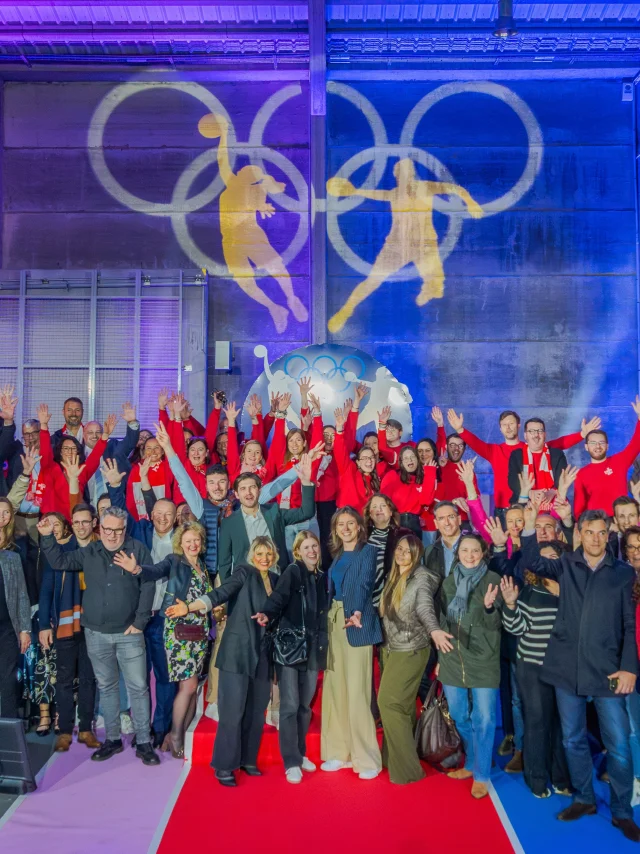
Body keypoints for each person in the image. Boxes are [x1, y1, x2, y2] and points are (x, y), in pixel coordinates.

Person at [520, 507, 640, 841]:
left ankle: (621, 812)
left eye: (603, 533)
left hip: (608, 670)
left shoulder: (623, 573)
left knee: (618, 746)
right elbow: (531, 562)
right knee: (572, 738)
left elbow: (630, 626)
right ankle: (585, 798)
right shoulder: (564, 564)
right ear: (580, 534)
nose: (597, 539)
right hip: (566, 667)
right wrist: (530, 526)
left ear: (608, 535)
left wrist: (630, 666)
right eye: (590, 532)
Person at [37, 506, 160, 766]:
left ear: (124, 530)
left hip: (130, 633)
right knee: (107, 687)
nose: (112, 535)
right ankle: (113, 739)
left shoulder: (138, 549)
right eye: (107, 530)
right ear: (99, 528)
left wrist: (140, 622)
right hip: (96, 633)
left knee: (138, 687)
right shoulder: (90, 551)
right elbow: (60, 561)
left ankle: (144, 741)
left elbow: (148, 584)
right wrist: (47, 537)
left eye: (117, 530)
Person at [326, 158, 484, 332]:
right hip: (396, 247)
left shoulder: (426, 187)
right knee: (372, 281)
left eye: (409, 171)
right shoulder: (394, 193)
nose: (406, 175)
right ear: (397, 175)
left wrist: (470, 202)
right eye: (402, 172)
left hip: (425, 246)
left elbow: (456, 188)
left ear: (412, 173)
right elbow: (372, 193)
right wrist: (353, 190)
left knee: (438, 287)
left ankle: (429, 289)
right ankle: (346, 311)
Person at [198, 112, 308, 334]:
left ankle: (291, 298)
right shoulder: (233, 184)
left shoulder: (255, 188)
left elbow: (275, 188)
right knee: (245, 282)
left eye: (250, 173)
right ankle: (275, 308)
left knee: (275, 266)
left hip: (250, 234)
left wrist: (265, 197)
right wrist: (223, 135)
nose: (243, 171)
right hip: (230, 240)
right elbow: (223, 157)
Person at [114, 521, 213, 759]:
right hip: (179, 632)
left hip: (199, 632)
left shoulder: (203, 567)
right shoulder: (174, 560)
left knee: (193, 686)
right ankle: (175, 735)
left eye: (196, 540)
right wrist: (136, 569)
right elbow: (155, 570)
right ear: (180, 542)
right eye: (188, 540)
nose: (192, 544)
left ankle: (181, 733)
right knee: (187, 686)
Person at [102, 455, 179, 749]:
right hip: (137, 615)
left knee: (164, 676)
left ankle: (161, 727)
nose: (162, 518)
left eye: (167, 514)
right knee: (137, 678)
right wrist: (115, 486)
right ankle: (141, 728)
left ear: (174, 517)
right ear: (152, 514)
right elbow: (121, 514)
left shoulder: (182, 540)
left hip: (167, 617)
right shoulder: (142, 532)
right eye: (157, 512)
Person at [494, 542, 572, 799]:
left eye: (554, 557)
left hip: (563, 670)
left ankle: (561, 778)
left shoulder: (572, 593)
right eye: (544, 558)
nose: (549, 562)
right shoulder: (528, 592)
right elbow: (515, 628)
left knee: (562, 726)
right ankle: (537, 779)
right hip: (532, 668)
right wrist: (510, 604)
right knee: (537, 723)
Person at [202, 536, 282, 786]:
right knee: (232, 711)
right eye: (259, 553)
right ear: (251, 555)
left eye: (268, 554)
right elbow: (224, 591)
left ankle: (248, 759)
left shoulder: (278, 581)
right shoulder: (244, 572)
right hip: (237, 652)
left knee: (257, 711)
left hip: (263, 654)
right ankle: (224, 765)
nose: (264, 558)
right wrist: (202, 603)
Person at [430, 532, 503, 800]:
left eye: (475, 551)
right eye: (465, 551)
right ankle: (472, 762)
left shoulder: (493, 581)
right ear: (458, 554)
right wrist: (439, 658)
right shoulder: (449, 583)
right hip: (452, 658)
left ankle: (482, 774)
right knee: (460, 716)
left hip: (484, 659)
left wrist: (488, 608)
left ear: (483, 552)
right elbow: (442, 622)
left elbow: (498, 626)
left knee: (484, 719)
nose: (470, 556)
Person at [252, 531, 329, 783]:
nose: (311, 551)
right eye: (306, 547)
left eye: (314, 545)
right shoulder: (293, 572)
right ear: (297, 551)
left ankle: (301, 753)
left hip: (312, 648)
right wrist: (266, 612)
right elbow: (278, 597)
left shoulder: (321, 576)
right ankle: (291, 760)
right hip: (289, 648)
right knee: (290, 705)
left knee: (305, 706)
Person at [321, 507, 382, 779]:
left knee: (357, 692)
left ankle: (366, 759)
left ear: (359, 526)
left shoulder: (367, 552)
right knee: (335, 688)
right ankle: (338, 752)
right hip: (334, 622)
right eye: (340, 524)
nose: (345, 528)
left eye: (350, 524)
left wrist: (356, 611)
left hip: (355, 622)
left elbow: (364, 584)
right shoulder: (337, 556)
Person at [446, 408, 597, 516]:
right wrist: (460, 429)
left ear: (519, 426)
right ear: (500, 428)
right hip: (503, 508)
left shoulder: (532, 447)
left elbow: (560, 443)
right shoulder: (494, 451)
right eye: (504, 424)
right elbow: (476, 443)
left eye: (511, 423)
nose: (508, 427)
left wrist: (582, 434)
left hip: (527, 507)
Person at [38, 503, 100, 751]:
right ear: (71, 525)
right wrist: (44, 624)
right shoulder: (61, 551)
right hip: (65, 624)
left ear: (94, 522)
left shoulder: (101, 549)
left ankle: (86, 729)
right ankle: (64, 731)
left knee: (88, 679)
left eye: (86, 521)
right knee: (63, 679)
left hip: (94, 623)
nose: (82, 526)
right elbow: (46, 591)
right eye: (77, 522)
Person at [377, 533, 434, 784]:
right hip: (391, 648)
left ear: (417, 555)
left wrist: (434, 630)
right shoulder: (395, 576)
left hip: (410, 649)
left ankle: (408, 770)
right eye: (399, 549)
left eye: (408, 551)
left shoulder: (420, 578)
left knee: (388, 703)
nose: (402, 554)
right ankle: (393, 759)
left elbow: (424, 608)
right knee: (404, 705)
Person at [217, 461, 316, 581]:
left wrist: (305, 482)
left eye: (252, 487)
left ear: (259, 491)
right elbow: (224, 563)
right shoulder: (229, 523)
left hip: (278, 581)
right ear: (237, 494)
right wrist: (228, 594)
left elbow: (306, 512)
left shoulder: (274, 512)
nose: (248, 493)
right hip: (248, 586)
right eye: (243, 489)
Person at [573, 398, 640, 518]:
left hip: (621, 522)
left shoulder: (619, 461)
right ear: (586, 447)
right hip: (596, 527)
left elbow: (636, 444)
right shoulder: (582, 474)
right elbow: (579, 510)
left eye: (601, 442)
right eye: (593, 443)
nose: (597, 446)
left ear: (607, 446)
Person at [380, 446, 437, 538]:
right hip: (395, 523)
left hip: (414, 524)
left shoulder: (423, 478)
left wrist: (430, 472)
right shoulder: (392, 476)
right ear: (401, 462)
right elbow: (382, 502)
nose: (409, 460)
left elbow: (425, 501)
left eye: (412, 457)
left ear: (417, 459)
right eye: (405, 458)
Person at [507, 418, 569, 504]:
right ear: (525, 436)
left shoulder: (557, 454)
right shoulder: (516, 455)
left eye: (540, 431)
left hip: (552, 503)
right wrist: (528, 492)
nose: (536, 435)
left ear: (545, 435)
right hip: (525, 501)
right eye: (531, 431)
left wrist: (552, 492)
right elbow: (513, 480)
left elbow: (562, 479)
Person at [0, 549, 31, 718]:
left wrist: (25, 629)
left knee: (8, 681)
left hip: (7, 629)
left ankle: (7, 729)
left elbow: (22, 594)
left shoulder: (12, 558)